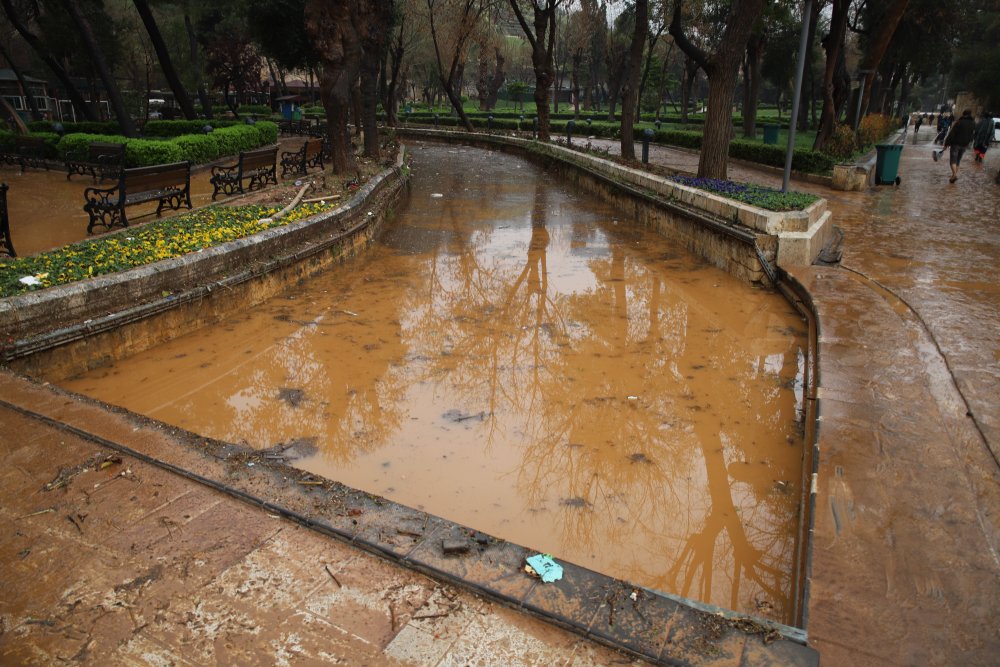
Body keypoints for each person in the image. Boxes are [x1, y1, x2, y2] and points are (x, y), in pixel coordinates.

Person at [933, 109, 976, 183]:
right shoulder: (973, 123)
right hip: (965, 144)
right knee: (958, 160)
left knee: (953, 160)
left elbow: (952, 134)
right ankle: (953, 176)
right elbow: (973, 135)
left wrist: (946, 144)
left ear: (963, 114)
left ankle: (954, 174)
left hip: (956, 144)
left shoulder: (959, 122)